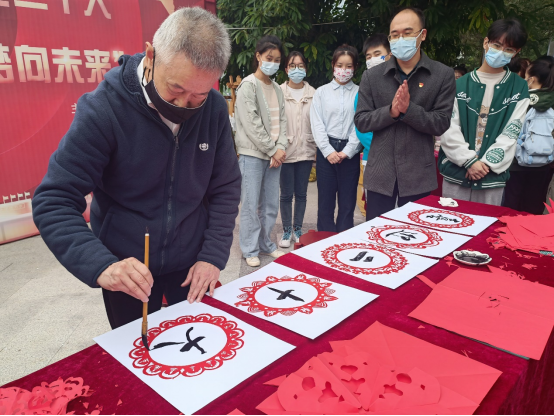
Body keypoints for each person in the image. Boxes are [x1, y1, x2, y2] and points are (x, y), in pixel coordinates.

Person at [32, 8, 242, 329]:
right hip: (128, 271)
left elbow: (225, 186)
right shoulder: (104, 109)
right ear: (151, 55)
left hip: (191, 264)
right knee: (139, 352)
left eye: (197, 95)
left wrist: (212, 256)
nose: (183, 105)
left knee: (199, 344)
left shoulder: (212, 108)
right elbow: (53, 200)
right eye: (175, 90)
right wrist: (103, 266)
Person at [355, 8, 456, 221]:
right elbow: (362, 121)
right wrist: (391, 112)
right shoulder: (372, 76)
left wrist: (409, 110)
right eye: (395, 35)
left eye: (408, 33)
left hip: (418, 175)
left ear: (423, 34)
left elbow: (441, 122)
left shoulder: (441, 75)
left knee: (416, 234)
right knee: (376, 233)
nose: (400, 39)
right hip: (381, 173)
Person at [440, 19, 530, 206]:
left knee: (487, 222)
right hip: (456, 172)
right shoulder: (459, 84)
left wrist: (486, 164)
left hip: (491, 176)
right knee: (451, 220)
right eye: (496, 45)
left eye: (509, 49)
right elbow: (448, 127)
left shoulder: (519, 87)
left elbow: (512, 130)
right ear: (485, 42)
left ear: (516, 52)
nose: (501, 52)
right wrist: (469, 161)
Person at [234, 36, 288, 267]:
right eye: (269, 58)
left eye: (277, 60)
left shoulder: (276, 88)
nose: (272, 63)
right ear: (258, 56)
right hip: (253, 155)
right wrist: (273, 150)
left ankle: (266, 244)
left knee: (270, 204)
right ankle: (249, 248)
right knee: (250, 204)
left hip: (274, 155)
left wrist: (281, 147)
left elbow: (283, 120)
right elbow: (252, 125)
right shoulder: (248, 86)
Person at [311, 44, 362, 233]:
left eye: (349, 66)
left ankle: (344, 239)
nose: (344, 70)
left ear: (355, 67)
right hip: (327, 151)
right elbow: (317, 123)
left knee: (347, 203)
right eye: (340, 65)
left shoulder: (360, 93)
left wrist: (348, 151)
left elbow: (360, 124)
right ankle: (324, 240)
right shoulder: (321, 92)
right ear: (333, 65)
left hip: (350, 152)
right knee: (325, 202)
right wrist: (328, 151)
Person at [504, 56, 554, 214]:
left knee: (510, 210)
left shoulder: (521, 100)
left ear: (531, 79)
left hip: (516, 165)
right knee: (533, 209)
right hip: (544, 167)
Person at [278, 51, 317, 248]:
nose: (296, 69)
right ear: (286, 69)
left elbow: (317, 123)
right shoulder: (278, 92)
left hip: (306, 151)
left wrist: (316, 148)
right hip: (285, 151)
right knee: (286, 194)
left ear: (306, 69)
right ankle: (286, 230)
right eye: (292, 66)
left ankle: (297, 229)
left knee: (301, 194)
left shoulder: (313, 94)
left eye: (300, 66)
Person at [358, 34, 392, 168]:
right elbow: (361, 129)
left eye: (377, 54)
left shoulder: (402, 84)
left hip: (402, 160)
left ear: (390, 55)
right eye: (368, 57)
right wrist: (385, 149)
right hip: (373, 157)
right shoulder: (363, 90)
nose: (372, 59)